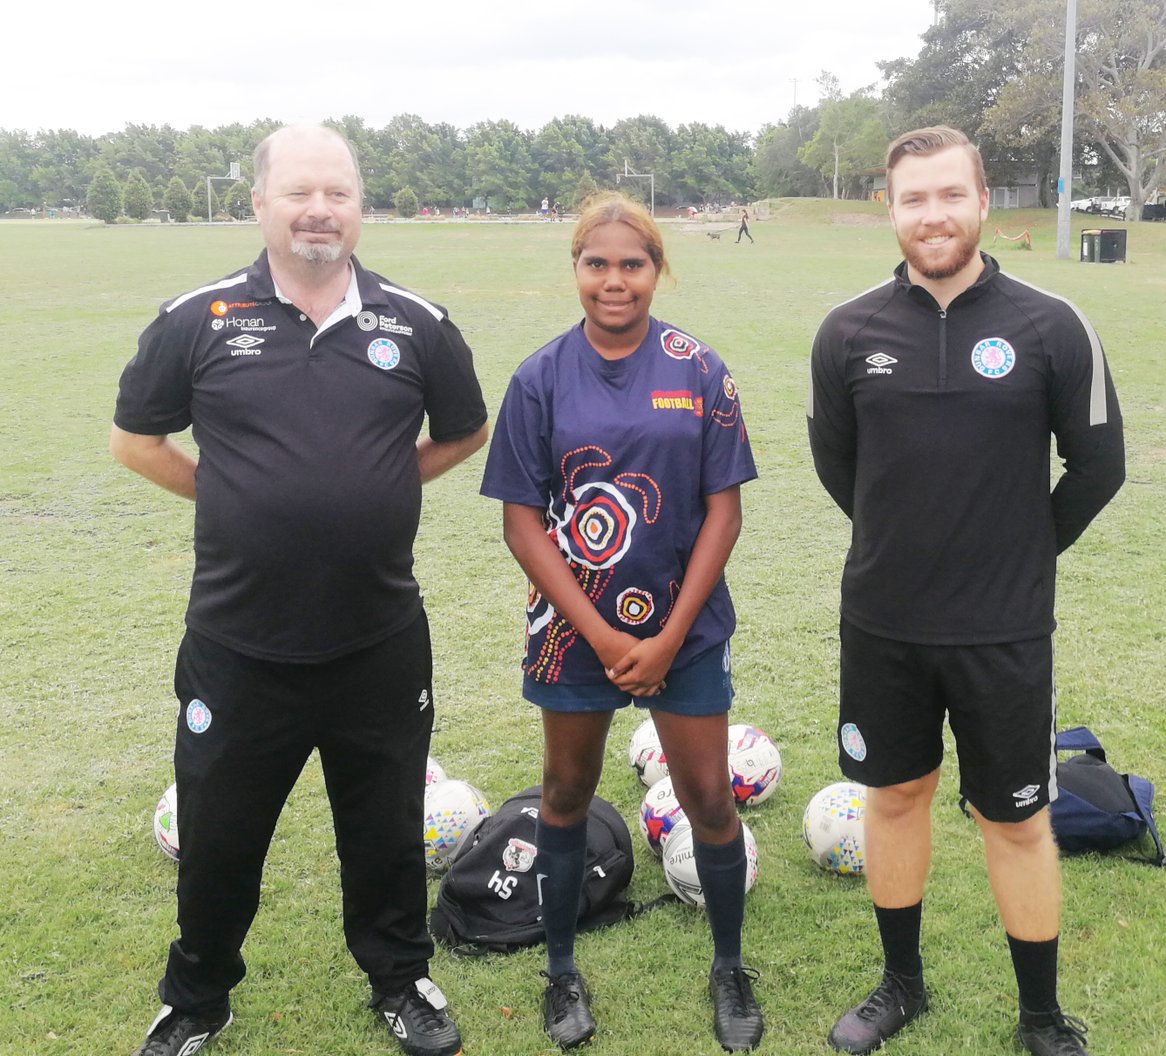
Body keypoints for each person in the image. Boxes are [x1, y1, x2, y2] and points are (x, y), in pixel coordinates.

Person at [110, 124, 488, 1056]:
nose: (320, 211)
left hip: (378, 639)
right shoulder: (197, 320)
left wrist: (383, 481)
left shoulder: (419, 323)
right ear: (260, 204)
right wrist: (227, 492)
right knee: (219, 836)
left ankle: (400, 981)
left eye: (338, 194)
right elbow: (136, 441)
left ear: (360, 207)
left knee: (385, 829)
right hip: (238, 645)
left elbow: (465, 431)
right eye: (299, 193)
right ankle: (197, 997)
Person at [807, 126, 1124, 1056]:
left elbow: (1098, 467)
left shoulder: (1051, 325)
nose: (933, 215)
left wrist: (1021, 552)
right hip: (885, 625)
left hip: (1004, 632)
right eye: (915, 198)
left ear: (983, 201)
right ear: (891, 209)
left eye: (951, 195)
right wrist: (903, 546)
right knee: (895, 799)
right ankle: (901, 985)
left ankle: (1040, 1016)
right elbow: (841, 470)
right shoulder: (847, 331)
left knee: (1015, 819)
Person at [480, 192, 763, 1052]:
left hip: (686, 631)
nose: (613, 280)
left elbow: (724, 513)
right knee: (565, 793)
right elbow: (522, 523)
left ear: (656, 270)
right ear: (575, 268)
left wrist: (669, 637)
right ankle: (560, 968)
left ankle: (728, 964)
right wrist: (602, 635)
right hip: (574, 634)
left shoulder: (699, 369)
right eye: (596, 263)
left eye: (631, 264)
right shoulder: (539, 378)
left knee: (709, 798)